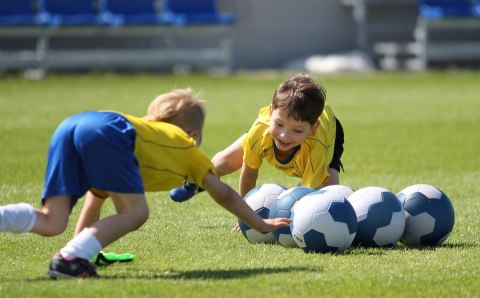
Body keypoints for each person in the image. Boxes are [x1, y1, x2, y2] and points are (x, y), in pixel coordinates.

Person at [0, 88, 290, 279]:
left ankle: (22, 228)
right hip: (108, 129)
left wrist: (86, 251)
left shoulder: (144, 139)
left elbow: (96, 198)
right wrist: (259, 223)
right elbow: (224, 193)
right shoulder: (186, 146)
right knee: (137, 212)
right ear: (192, 133)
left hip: (73, 123)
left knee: (53, 222)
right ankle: (69, 259)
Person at [170, 73, 344, 201]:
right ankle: (198, 180)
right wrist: (246, 215)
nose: (284, 135)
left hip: (330, 132)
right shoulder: (261, 129)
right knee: (224, 162)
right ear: (270, 113)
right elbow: (249, 172)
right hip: (265, 132)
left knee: (328, 195)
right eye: (279, 124)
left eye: (297, 131)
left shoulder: (316, 145)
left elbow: (309, 196)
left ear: (312, 128)